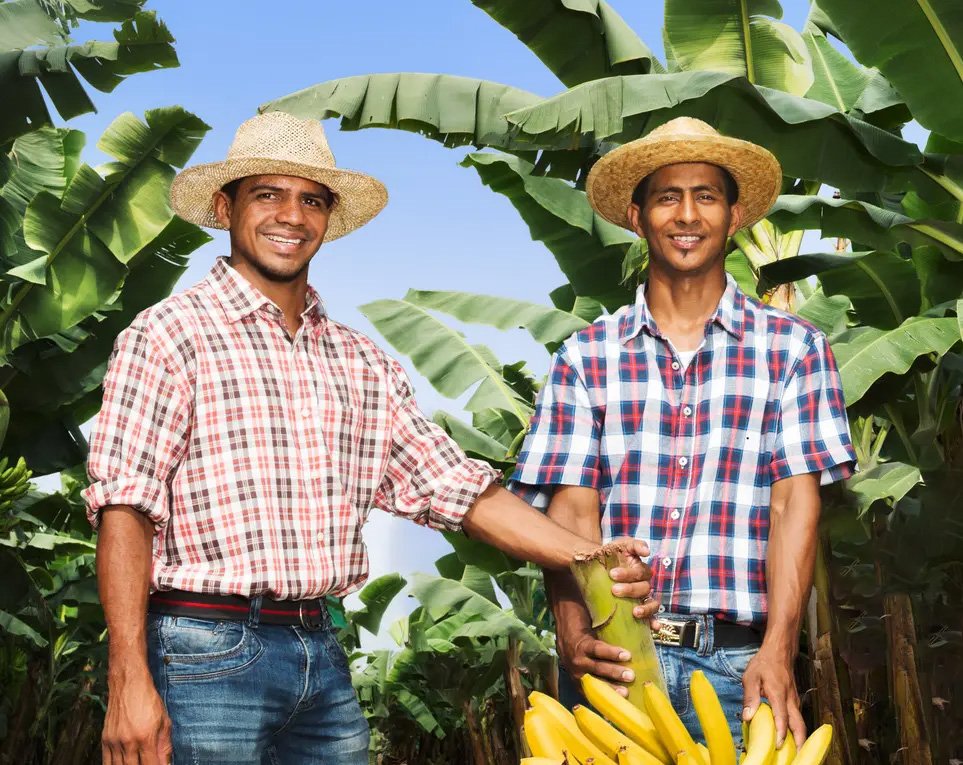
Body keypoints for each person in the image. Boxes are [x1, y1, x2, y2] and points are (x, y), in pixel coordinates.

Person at [84, 111, 658, 765]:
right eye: (266, 193)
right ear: (225, 206)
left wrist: (589, 554)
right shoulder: (166, 334)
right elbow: (125, 506)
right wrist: (127, 675)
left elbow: (456, 490)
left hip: (320, 647)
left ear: (327, 218)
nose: (290, 216)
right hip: (201, 646)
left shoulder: (362, 361)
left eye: (311, 200)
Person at [508, 117, 856, 748]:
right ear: (639, 218)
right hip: (612, 660)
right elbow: (571, 519)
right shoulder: (586, 357)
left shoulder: (795, 350)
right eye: (668, 196)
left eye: (707, 196)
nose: (687, 215)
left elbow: (793, 508)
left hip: (734, 664)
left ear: (735, 214)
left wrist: (779, 651)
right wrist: (570, 631)